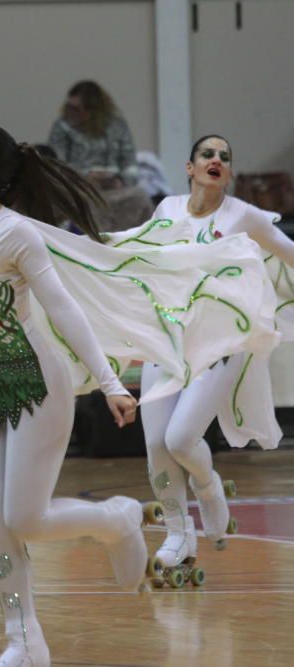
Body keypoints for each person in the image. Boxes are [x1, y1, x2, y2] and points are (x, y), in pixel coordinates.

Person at [0, 123, 279, 666]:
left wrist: (110, 384)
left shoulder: (16, 235)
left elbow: (64, 308)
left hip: (37, 382)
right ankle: (23, 640)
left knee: (26, 519)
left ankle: (116, 517)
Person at [142, 135, 294, 585]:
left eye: (224, 157)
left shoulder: (243, 216)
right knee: (155, 446)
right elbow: (141, 263)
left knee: (182, 438)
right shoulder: (166, 210)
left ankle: (208, 489)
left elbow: (289, 253)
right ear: (189, 168)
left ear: (228, 173)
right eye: (208, 154)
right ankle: (177, 533)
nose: (216, 160)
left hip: (218, 345)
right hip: (165, 340)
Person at [47, 81, 152, 232]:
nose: (71, 112)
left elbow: (130, 162)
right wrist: (84, 177)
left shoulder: (117, 125)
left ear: (92, 109)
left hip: (114, 190)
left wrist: (120, 180)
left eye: (77, 109)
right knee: (85, 202)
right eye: (70, 107)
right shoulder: (62, 126)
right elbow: (56, 165)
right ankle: (96, 244)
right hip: (78, 188)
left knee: (140, 197)